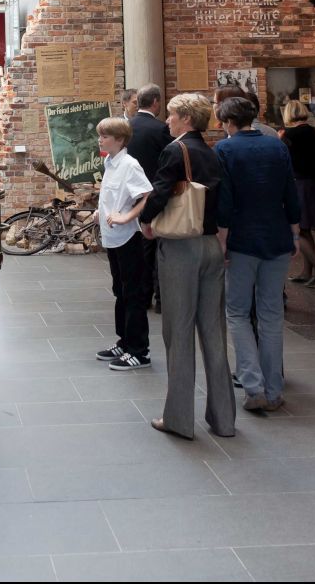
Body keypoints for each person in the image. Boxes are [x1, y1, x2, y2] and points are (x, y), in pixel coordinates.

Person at [138, 93, 236, 440]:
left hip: (181, 247)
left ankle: (179, 419)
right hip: (210, 244)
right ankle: (224, 419)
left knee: (177, 332)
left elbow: (160, 193)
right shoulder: (212, 152)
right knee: (213, 333)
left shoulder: (175, 150)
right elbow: (224, 201)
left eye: (172, 115)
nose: (167, 121)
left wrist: (145, 222)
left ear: (185, 118)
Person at [215, 97, 301, 412]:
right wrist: (295, 232)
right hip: (277, 236)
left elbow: (224, 202)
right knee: (271, 315)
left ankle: (253, 387)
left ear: (226, 122)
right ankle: (275, 390)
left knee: (237, 313)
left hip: (241, 239)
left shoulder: (224, 150)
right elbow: (290, 193)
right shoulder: (277, 146)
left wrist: (222, 239)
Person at [95, 116, 154, 371]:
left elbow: (146, 195)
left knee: (133, 293)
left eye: (105, 136)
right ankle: (125, 341)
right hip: (112, 238)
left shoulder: (130, 165)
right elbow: (114, 194)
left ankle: (139, 351)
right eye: (100, 135)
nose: (100, 139)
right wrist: (103, 211)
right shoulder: (110, 162)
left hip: (129, 238)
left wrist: (128, 216)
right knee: (120, 290)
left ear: (119, 139)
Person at [127, 83, 171, 313]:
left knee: (142, 250)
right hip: (156, 193)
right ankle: (162, 298)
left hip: (131, 197)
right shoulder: (161, 129)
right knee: (160, 248)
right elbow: (169, 162)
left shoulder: (126, 127)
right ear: (155, 102)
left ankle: (143, 297)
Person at [281, 99, 315, 286]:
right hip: (313, 184)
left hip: (298, 183)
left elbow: (284, 159)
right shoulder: (313, 131)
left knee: (295, 228)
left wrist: (280, 140)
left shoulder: (289, 134)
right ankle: (307, 271)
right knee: (306, 229)